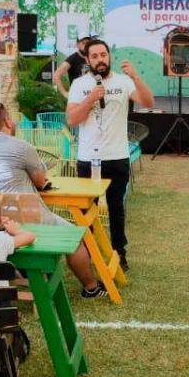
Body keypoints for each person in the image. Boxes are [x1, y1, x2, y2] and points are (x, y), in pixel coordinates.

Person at [0, 102, 105, 298]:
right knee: (75, 236)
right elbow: (40, 182)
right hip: (21, 218)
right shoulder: (22, 146)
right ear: (7, 121)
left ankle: (24, 273)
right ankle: (91, 288)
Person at [66, 38, 154, 272]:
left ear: (109, 56)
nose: (100, 60)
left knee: (116, 207)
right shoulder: (79, 84)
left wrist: (135, 76)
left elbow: (148, 101)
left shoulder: (124, 82)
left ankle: (119, 252)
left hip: (116, 156)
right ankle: (90, 252)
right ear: (87, 60)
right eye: (94, 56)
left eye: (103, 55)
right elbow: (72, 119)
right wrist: (91, 98)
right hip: (88, 159)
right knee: (88, 208)